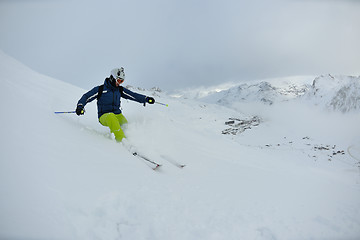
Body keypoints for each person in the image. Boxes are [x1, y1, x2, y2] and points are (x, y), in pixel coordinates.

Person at [76, 67, 155, 142]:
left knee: (125, 125)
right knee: (111, 117)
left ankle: (132, 141)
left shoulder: (119, 90)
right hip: (104, 116)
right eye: (119, 81)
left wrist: (145, 99)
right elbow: (86, 96)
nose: (119, 83)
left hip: (117, 114)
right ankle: (122, 142)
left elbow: (133, 95)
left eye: (122, 81)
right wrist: (80, 106)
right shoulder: (100, 89)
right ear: (112, 78)